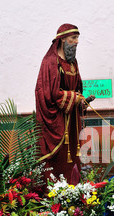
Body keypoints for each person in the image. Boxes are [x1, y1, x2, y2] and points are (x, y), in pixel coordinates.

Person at [35, 23, 94, 186]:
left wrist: (81, 101)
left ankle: (73, 191)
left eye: (77, 38)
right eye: (73, 38)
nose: (77, 42)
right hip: (56, 121)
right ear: (62, 40)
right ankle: (55, 194)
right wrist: (72, 97)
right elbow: (47, 93)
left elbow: (76, 90)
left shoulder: (73, 62)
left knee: (73, 157)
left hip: (72, 121)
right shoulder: (50, 62)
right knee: (59, 158)